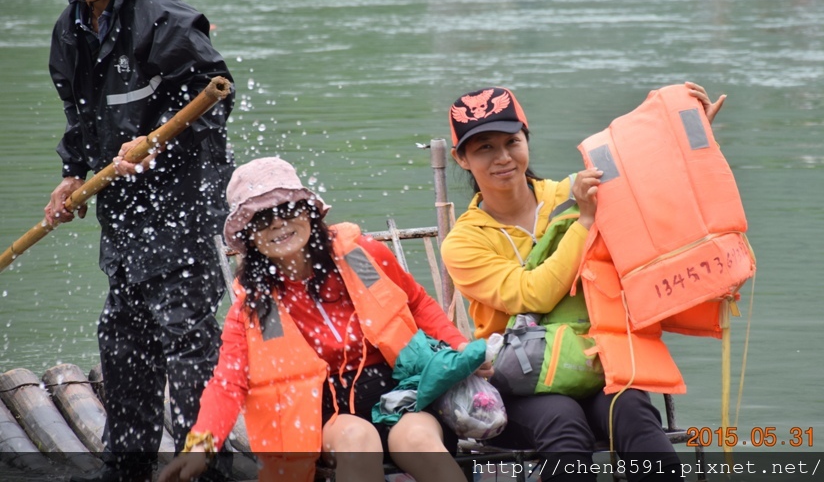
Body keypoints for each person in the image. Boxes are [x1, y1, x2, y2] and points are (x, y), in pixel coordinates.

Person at [441, 83, 726, 482]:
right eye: (484, 148)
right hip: (522, 384)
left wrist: (687, 140)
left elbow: (643, 183)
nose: (503, 157)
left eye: (511, 141)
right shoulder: (464, 242)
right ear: (462, 159)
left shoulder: (569, 193)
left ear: (526, 138)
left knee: (633, 413)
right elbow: (532, 294)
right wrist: (586, 223)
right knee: (563, 423)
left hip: (596, 362)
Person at [46, 0, 235, 482]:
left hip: (183, 203)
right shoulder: (70, 30)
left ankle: (207, 466)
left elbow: (217, 97)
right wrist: (74, 173)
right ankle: (126, 465)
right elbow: (81, 116)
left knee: (185, 334)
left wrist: (157, 143)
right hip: (123, 210)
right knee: (124, 334)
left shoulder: (162, 17)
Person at [159, 157, 479, 482]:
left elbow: (415, 302)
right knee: (357, 439)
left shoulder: (357, 257)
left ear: (309, 212)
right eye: (262, 219)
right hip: (325, 417)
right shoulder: (259, 305)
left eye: (287, 210)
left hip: (401, 396)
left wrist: (461, 347)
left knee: (418, 439)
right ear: (249, 235)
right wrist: (200, 446)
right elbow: (229, 383)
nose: (278, 224)